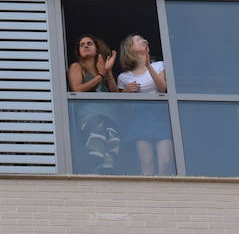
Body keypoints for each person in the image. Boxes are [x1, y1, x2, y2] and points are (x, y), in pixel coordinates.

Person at [116, 34, 173, 176]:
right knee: (146, 162)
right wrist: (126, 92)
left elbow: (163, 88)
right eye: (138, 39)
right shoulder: (123, 77)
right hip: (139, 117)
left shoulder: (159, 65)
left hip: (160, 114)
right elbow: (121, 107)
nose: (143, 40)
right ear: (129, 48)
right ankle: (150, 195)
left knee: (165, 161)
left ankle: (162, 191)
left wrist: (148, 65)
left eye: (143, 38)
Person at [67, 34, 121, 174]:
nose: (85, 46)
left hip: (109, 115)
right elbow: (77, 89)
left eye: (89, 43)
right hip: (89, 114)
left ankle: (104, 174)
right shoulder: (77, 67)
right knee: (96, 142)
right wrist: (100, 77)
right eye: (82, 44)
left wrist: (107, 72)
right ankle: (93, 171)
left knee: (111, 142)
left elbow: (115, 94)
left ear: (97, 49)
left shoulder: (101, 70)